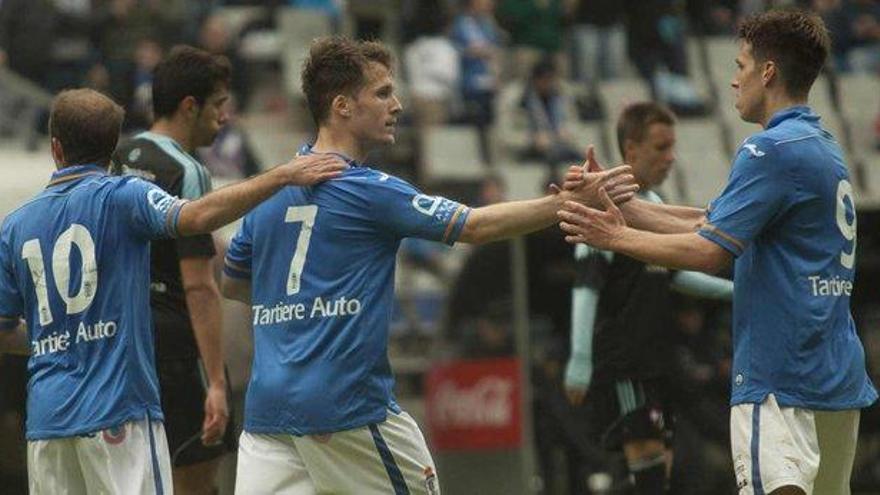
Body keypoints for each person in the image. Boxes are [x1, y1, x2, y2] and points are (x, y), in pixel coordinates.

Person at [220, 36, 637, 494]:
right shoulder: (367, 188)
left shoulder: (267, 193)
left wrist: (300, 305)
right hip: (345, 407)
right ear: (341, 106)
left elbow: (234, 283)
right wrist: (569, 203)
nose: (396, 105)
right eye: (381, 93)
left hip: (268, 411)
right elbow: (474, 225)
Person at [558, 10, 878, 494]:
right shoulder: (821, 146)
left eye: (742, 65)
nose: (733, 80)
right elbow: (711, 222)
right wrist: (621, 205)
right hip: (836, 376)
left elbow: (709, 251)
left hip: (778, 378)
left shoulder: (766, 150)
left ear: (767, 72)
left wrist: (610, 237)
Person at [0, 88, 345, 494]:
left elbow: (4, 329)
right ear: (113, 149)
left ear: (55, 148)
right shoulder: (123, 197)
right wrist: (283, 174)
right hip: (118, 413)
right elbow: (197, 215)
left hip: (48, 424)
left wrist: (54, 341)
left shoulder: (14, 226)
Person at [564, 102, 733, 495]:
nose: (671, 157)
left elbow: (676, 277)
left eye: (673, 147)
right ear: (630, 150)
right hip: (625, 362)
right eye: (660, 147)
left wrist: (740, 292)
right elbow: (586, 284)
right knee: (649, 468)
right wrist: (579, 357)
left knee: (657, 471)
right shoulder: (601, 206)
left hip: (657, 360)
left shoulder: (654, 207)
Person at [111, 45, 234, 495]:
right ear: (189, 107)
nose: (224, 118)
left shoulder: (114, 156)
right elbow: (199, 287)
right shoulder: (188, 170)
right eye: (219, 105)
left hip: (119, 343)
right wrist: (217, 381)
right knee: (195, 483)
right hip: (175, 349)